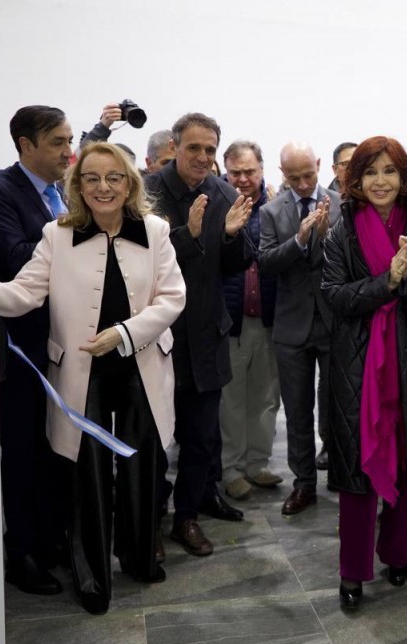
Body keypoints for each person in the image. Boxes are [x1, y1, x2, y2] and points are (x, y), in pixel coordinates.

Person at [0, 142, 185, 615]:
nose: (103, 187)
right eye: (92, 178)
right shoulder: (57, 235)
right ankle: (93, 577)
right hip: (82, 373)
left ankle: (139, 559)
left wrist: (123, 333)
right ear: (77, 186)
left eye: (114, 177)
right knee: (88, 477)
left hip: (141, 364)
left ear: (129, 183)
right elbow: (22, 295)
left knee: (143, 468)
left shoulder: (155, 230)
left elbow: (172, 298)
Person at [322, 136, 407, 609]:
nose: (380, 181)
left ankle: (398, 554)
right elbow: (335, 296)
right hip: (359, 368)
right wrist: (389, 281)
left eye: (389, 171)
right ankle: (352, 572)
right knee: (359, 470)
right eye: (370, 172)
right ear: (356, 180)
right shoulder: (340, 230)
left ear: (404, 178)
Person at [145, 113, 252, 559]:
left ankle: (187, 517)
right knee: (153, 440)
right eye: (194, 148)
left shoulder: (224, 193)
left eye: (210, 149)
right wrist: (187, 236)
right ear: (174, 147)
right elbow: (144, 262)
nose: (203, 157)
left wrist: (230, 237)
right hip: (158, 339)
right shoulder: (147, 193)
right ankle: (148, 519)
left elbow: (239, 262)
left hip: (206, 336)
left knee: (201, 439)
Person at [0, 105, 74, 596]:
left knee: (53, 447)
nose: (68, 152)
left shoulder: (63, 192)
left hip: (63, 344)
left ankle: (49, 538)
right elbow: (15, 258)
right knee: (21, 449)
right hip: (21, 350)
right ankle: (19, 552)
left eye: (69, 141)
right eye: (58, 142)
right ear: (25, 145)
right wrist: (71, 237)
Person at [259, 142, 341, 514]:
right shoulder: (271, 211)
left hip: (334, 321)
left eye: (309, 175)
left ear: (319, 164)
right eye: (295, 178)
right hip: (291, 325)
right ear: (283, 173)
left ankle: (342, 472)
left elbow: (353, 259)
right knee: (296, 411)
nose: (304, 184)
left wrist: (327, 236)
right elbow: (266, 262)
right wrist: (300, 240)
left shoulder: (341, 205)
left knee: (340, 406)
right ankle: (304, 483)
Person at [218, 140, 283, 501]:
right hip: (232, 321)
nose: (243, 179)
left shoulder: (275, 208)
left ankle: (258, 463)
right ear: (225, 172)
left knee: (265, 397)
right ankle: (231, 468)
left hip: (269, 318)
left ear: (262, 170)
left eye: (250, 171)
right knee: (231, 400)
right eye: (235, 172)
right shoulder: (215, 207)